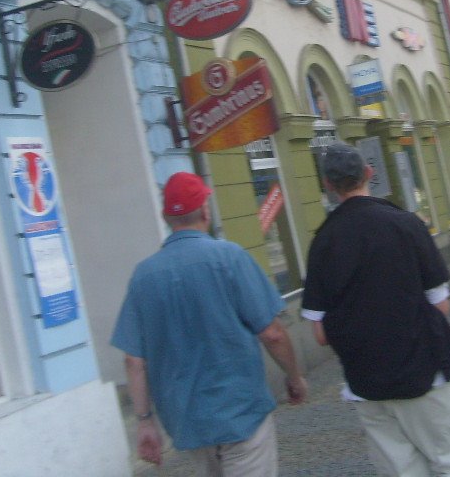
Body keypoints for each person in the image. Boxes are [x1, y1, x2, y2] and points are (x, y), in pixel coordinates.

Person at [301, 143, 450, 477]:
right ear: (369, 174)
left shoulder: (322, 242)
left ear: (328, 185)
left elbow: (319, 333)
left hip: (366, 385)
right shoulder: (404, 224)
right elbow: (441, 303)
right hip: (425, 373)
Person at [111, 171, 307, 476]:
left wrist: (145, 421)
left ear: (166, 217)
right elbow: (272, 334)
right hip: (241, 413)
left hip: (188, 423)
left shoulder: (143, 276)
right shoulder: (230, 258)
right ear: (205, 210)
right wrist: (294, 377)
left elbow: (133, 361)